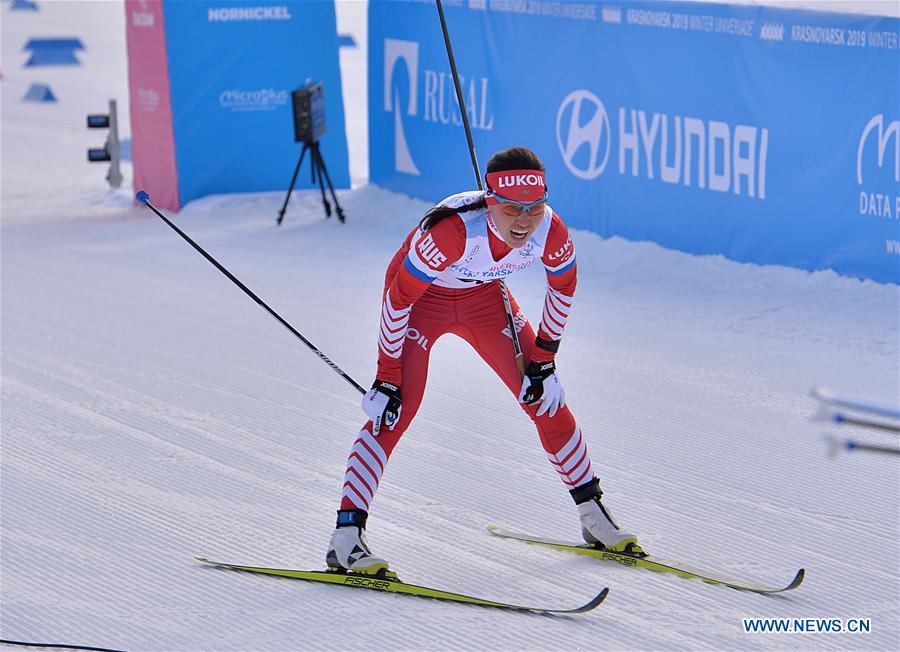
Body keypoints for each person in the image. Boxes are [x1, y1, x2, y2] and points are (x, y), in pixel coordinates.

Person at [326, 147, 641, 575]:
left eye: (534, 208)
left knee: (544, 398)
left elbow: (563, 288)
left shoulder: (551, 230)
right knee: (396, 411)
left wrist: (544, 362)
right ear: (490, 201)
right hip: (423, 303)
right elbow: (399, 298)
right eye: (512, 209)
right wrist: (386, 377)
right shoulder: (453, 232)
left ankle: (593, 514)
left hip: (485, 300)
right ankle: (346, 537)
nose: (524, 221)